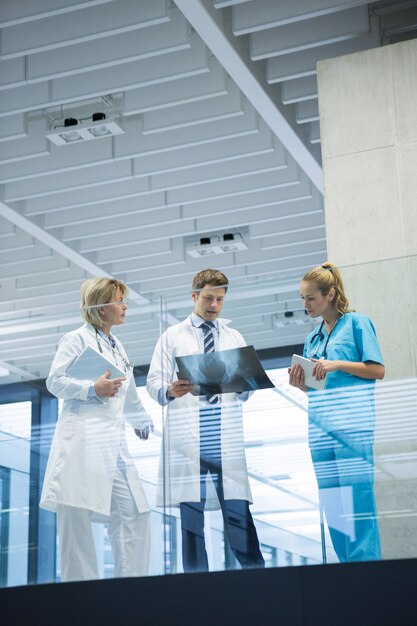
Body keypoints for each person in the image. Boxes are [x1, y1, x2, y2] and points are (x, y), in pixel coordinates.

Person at [146, 269, 265, 572]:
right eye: (209, 298)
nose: (214, 305)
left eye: (220, 300)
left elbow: (245, 388)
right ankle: (197, 586)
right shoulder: (172, 336)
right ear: (194, 296)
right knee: (191, 520)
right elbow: (153, 383)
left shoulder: (233, 337)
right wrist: (169, 389)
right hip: (190, 441)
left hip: (222, 439)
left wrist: (244, 386)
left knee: (238, 516)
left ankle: (259, 578)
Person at [40, 278, 153, 582]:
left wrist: (141, 420)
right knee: (75, 517)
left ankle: (130, 590)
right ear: (102, 309)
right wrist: (92, 388)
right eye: (119, 300)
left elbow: (127, 393)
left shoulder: (118, 345)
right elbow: (55, 381)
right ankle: (81, 597)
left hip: (113, 442)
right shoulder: (75, 339)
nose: (125, 306)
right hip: (83, 440)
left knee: (135, 513)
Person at [289, 262, 385, 563]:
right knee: (333, 507)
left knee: (358, 503)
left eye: (311, 298)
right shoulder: (313, 339)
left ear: (330, 295)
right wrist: (300, 385)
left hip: (353, 427)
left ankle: (367, 574)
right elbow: (317, 387)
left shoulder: (357, 324)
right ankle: (347, 572)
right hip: (320, 431)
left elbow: (377, 370)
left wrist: (338, 364)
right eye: (302, 298)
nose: (305, 305)